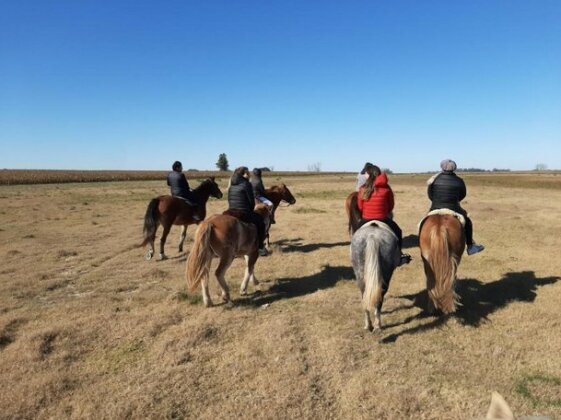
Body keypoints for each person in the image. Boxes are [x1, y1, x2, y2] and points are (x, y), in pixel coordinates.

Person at [427, 159, 485, 255]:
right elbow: (463, 195)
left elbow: (430, 195)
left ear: (442, 167)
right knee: (468, 221)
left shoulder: (433, 180)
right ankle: (470, 246)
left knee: (424, 223)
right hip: (454, 207)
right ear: (454, 168)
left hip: (435, 207)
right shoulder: (459, 180)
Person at [357, 165, 411, 265]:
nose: (364, 175)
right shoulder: (386, 188)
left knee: (355, 235)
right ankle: (398, 256)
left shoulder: (363, 188)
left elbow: (360, 207)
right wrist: (385, 212)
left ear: (370, 175)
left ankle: (356, 257)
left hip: (366, 219)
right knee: (398, 231)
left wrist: (365, 213)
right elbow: (391, 205)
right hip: (383, 219)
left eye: (366, 173)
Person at [226, 166, 268, 256]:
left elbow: (229, 199)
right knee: (261, 223)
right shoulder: (246, 184)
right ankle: (260, 247)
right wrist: (251, 209)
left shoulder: (232, 184)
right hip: (243, 212)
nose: (249, 174)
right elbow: (251, 202)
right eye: (247, 173)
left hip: (230, 210)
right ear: (243, 174)